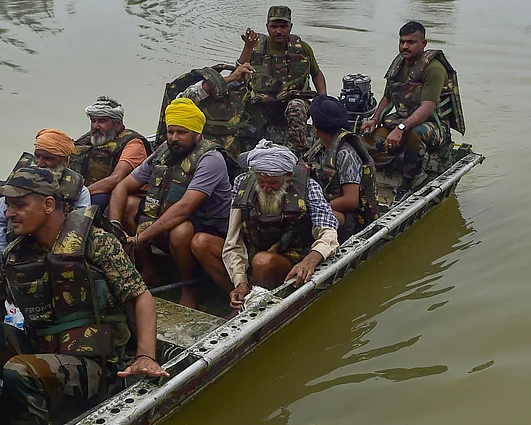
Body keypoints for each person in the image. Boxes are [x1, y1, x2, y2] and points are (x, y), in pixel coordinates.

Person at [0, 168, 167, 425]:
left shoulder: (96, 243)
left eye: (19, 205)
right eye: (8, 206)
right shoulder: (16, 254)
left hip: (96, 365)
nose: (9, 213)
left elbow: (141, 297)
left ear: (48, 204)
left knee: (19, 370)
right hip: (40, 351)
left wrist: (145, 356)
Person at [110, 98, 235, 308]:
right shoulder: (163, 152)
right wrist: (115, 225)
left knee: (180, 230)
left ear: (197, 133)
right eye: (171, 132)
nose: (174, 138)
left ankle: (189, 289)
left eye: (181, 132)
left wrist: (139, 238)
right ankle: (149, 270)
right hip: (169, 218)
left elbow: (185, 208)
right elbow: (122, 186)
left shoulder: (211, 159)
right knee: (129, 204)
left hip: (206, 229)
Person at [0, 128, 91, 301]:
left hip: (53, 259)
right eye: (38, 156)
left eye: (49, 158)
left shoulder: (79, 191)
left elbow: (79, 231)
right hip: (12, 254)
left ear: (66, 161)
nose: (40, 163)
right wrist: (3, 261)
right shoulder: (18, 184)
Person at [224, 140, 340, 311]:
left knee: (262, 261)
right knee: (202, 242)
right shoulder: (242, 183)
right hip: (254, 252)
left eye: (273, 183)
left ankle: (263, 310)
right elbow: (233, 240)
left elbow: (328, 231)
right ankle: (244, 300)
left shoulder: (308, 186)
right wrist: (240, 281)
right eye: (261, 182)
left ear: (288, 176)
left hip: (291, 258)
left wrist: (310, 261)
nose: (266, 188)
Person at [361, 21, 457, 197]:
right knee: (364, 143)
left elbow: (427, 107)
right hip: (403, 120)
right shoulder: (398, 64)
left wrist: (401, 128)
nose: (405, 46)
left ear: (423, 43)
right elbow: (387, 97)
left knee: (415, 134)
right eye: (402, 41)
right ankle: (398, 163)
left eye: (411, 42)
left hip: (434, 126)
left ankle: (408, 183)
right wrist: (374, 119)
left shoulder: (434, 68)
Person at [236, 5, 328, 154]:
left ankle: (293, 154)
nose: (279, 31)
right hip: (262, 103)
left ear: (290, 27)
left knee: (296, 107)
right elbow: (238, 73)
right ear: (267, 27)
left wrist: (322, 100)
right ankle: (242, 152)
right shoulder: (255, 47)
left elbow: (316, 74)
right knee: (238, 108)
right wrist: (248, 47)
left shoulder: (302, 49)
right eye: (274, 26)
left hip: (292, 101)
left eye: (283, 26)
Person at [306, 95, 379, 241]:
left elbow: (351, 201)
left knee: (312, 220)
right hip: (324, 204)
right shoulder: (321, 147)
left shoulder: (345, 154)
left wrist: (318, 208)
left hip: (354, 218)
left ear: (315, 128)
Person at [69, 96, 149, 212]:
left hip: (118, 196)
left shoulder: (133, 144)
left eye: (102, 121)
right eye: (93, 121)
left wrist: (81, 194)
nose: (96, 126)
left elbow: (116, 179)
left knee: (97, 201)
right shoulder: (87, 140)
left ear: (118, 124)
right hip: (85, 191)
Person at [173, 62, 255, 157]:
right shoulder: (188, 102)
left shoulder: (232, 95)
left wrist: (235, 77)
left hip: (227, 149)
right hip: (206, 149)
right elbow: (192, 94)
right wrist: (233, 77)